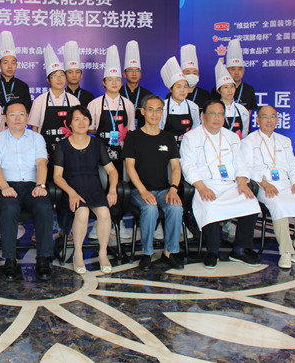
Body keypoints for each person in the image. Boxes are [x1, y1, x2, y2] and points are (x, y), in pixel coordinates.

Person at [180, 100, 261, 269]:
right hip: (205, 184)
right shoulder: (191, 137)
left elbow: (240, 162)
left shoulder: (232, 137)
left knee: (251, 203)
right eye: (212, 114)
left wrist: (243, 183)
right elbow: (187, 166)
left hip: (230, 184)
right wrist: (202, 188)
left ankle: (240, 249)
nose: (217, 118)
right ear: (203, 116)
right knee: (210, 205)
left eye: (220, 114)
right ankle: (212, 251)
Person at [242, 106, 295, 269]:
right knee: (279, 205)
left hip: (286, 185)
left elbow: (293, 166)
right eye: (265, 116)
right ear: (257, 120)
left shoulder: (284, 141)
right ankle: (285, 252)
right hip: (263, 186)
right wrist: (264, 183)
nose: (269, 120)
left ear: (277, 119)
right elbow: (247, 167)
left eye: (273, 116)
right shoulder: (249, 141)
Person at [0, 100, 54, 281]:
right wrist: (4, 187)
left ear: (27, 117)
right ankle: (10, 259)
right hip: (6, 185)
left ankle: (43, 258)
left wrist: (41, 185)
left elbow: (42, 163)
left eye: (22, 114)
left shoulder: (37, 138)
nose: (17, 118)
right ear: (5, 118)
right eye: (12, 115)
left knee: (44, 207)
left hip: (32, 185)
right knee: (9, 208)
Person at [53, 105, 119, 275]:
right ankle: (78, 254)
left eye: (85, 119)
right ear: (69, 124)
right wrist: (71, 192)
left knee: (104, 213)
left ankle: (103, 254)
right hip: (72, 190)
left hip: (94, 189)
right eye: (77, 119)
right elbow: (57, 176)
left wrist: (112, 190)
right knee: (82, 213)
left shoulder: (97, 143)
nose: (81, 123)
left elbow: (112, 171)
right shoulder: (62, 146)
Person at [124, 95, 184, 271]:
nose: (155, 114)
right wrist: (143, 191)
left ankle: (170, 252)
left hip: (164, 190)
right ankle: (147, 253)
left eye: (159, 110)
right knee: (150, 208)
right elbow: (129, 167)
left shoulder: (168, 138)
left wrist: (173, 189)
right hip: (138, 191)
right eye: (150, 110)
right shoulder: (133, 137)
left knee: (176, 207)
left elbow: (176, 167)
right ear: (143, 112)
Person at [29, 44, 80, 155]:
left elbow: (79, 126)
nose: (59, 79)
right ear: (48, 80)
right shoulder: (40, 101)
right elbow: (34, 128)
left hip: (70, 150)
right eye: (55, 76)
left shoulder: (74, 100)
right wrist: (37, 150)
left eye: (62, 75)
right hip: (45, 150)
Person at [88, 45, 136, 163]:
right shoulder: (94, 104)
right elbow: (89, 129)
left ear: (122, 82)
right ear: (104, 82)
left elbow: (131, 130)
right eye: (110, 79)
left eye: (117, 79)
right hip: (100, 149)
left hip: (123, 150)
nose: (114, 83)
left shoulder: (128, 104)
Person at [0, 30, 32, 111]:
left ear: (16, 65)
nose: (10, 66)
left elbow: (27, 110)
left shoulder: (23, 86)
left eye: (13, 62)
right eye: (5, 62)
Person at [159, 56, 201, 144]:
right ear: (171, 89)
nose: (182, 90)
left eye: (185, 87)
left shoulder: (193, 107)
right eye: (178, 87)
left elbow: (196, 130)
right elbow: (159, 129)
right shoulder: (163, 106)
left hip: (187, 145)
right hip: (166, 144)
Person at [211, 39, 258, 114]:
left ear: (243, 70)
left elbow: (248, 112)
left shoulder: (249, 89)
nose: (236, 72)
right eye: (233, 69)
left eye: (240, 69)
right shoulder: (217, 89)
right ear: (227, 70)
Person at [215, 60, 249, 139]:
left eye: (232, 87)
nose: (230, 90)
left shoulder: (242, 110)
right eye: (226, 87)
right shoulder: (213, 109)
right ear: (219, 91)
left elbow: (244, 134)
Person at [122, 40, 153, 129]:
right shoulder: (118, 93)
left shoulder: (148, 95)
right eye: (130, 70)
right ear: (124, 74)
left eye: (137, 70)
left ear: (141, 74)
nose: (134, 74)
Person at [179, 44, 211, 111]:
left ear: (198, 75)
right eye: (188, 73)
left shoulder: (205, 95)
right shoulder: (174, 94)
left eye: (194, 73)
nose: (191, 75)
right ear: (182, 74)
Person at [63, 40, 94, 107]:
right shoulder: (61, 95)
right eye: (70, 72)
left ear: (81, 75)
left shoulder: (89, 96)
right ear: (65, 75)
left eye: (77, 72)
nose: (74, 75)